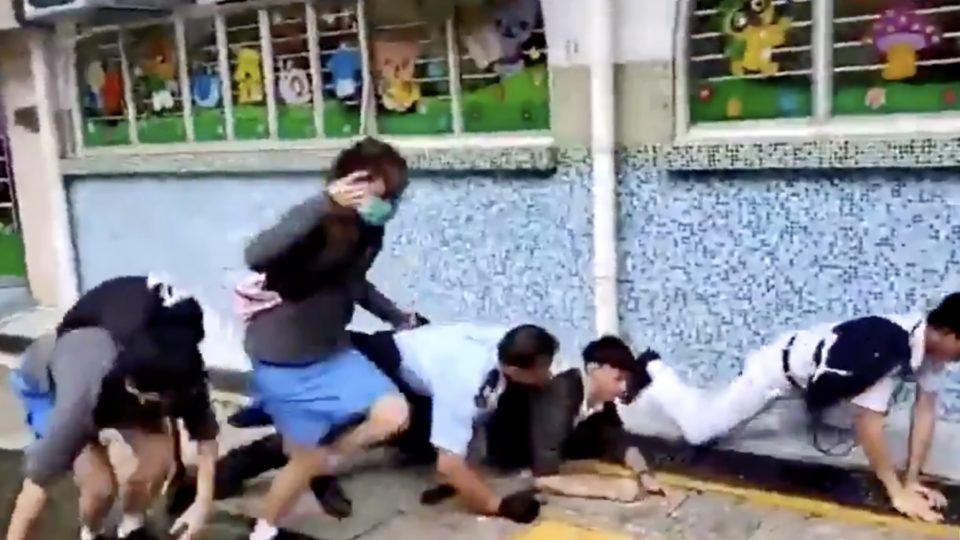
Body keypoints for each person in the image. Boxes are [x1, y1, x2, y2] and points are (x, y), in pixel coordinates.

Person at [640, 293, 960, 523]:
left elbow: (925, 410)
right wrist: (896, 492)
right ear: (945, 332)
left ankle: (785, 413)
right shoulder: (886, 349)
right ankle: (654, 370)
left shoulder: (932, 351)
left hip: (815, 383)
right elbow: (869, 425)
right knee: (701, 430)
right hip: (775, 372)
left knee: (855, 420)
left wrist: (913, 479)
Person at [241, 138, 416, 540]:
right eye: (377, 193)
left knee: (393, 414)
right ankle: (264, 531)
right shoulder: (316, 222)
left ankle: (327, 461)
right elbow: (256, 254)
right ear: (346, 183)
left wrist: (397, 316)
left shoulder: (370, 232)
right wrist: (322, 202)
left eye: (392, 196)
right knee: (300, 462)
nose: (385, 204)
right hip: (282, 357)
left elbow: (353, 283)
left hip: (333, 352)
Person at [6, 275, 220, 540]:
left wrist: (203, 503)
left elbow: (205, 435)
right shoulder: (81, 396)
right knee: (99, 487)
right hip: (49, 383)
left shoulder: (181, 362)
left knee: (155, 463)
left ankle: (131, 526)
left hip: (122, 369)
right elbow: (35, 487)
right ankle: (91, 532)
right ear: (134, 390)